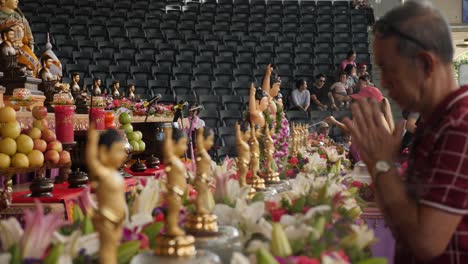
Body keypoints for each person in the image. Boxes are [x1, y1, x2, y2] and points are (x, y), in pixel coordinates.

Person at [342, 1, 468, 263]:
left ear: (425, 64)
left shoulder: (460, 125)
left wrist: (382, 165)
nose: (384, 83)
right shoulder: (435, 121)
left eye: (389, 69)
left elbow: (426, 242)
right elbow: (405, 218)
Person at [0, 0, 39, 76]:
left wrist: (31, 46)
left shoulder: (20, 16)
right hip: (4, 48)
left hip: (21, 48)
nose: (17, 0)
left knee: (34, 64)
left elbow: (29, 35)